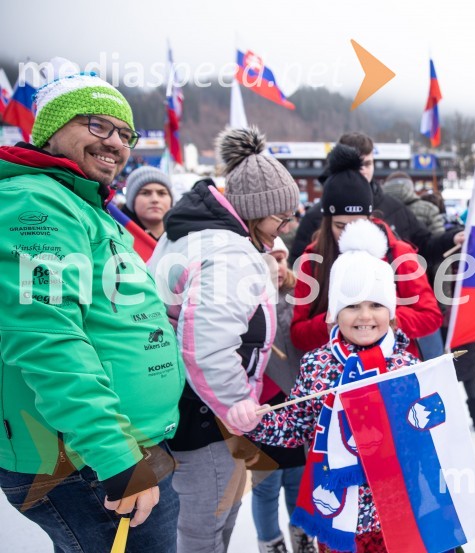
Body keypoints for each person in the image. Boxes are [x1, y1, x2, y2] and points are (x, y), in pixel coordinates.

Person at [0, 60, 184, 551]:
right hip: (85, 461)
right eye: (97, 125)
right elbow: (46, 338)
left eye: (125, 133)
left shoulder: (84, 206)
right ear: (51, 130)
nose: (116, 143)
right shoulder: (37, 204)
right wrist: (117, 458)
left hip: (113, 448)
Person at [148, 126, 300, 552]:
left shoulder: (196, 235)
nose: (285, 227)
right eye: (280, 217)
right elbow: (206, 346)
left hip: (181, 406)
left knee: (206, 521)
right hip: (203, 419)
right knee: (207, 527)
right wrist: (235, 406)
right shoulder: (230, 253)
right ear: (253, 211)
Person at [248, 218, 420, 553]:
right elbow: (296, 425)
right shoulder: (319, 364)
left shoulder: (403, 366)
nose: (365, 316)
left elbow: (419, 433)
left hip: (393, 512)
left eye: (376, 305)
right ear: (333, 314)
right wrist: (257, 422)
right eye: (352, 306)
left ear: (392, 311)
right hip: (337, 511)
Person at [290, 144, 442, 356]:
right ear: (327, 222)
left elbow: (431, 316)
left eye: (358, 223)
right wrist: (329, 324)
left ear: (370, 218)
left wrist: (388, 318)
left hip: (393, 368)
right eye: (340, 226)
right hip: (335, 372)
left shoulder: (398, 253)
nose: (348, 233)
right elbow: (298, 334)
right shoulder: (313, 260)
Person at [289, 132, 463, 265]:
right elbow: (300, 268)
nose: (363, 170)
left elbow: (425, 246)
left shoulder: (394, 207)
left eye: (368, 163)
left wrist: (453, 238)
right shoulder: (316, 217)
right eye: (357, 164)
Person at [251, 241, 315, 553]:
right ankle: (270, 543)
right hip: (260, 408)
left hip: (295, 405)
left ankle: (303, 537)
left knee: (299, 482)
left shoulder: (299, 296)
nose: (276, 267)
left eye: (280, 259)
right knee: (265, 486)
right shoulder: (240, 302)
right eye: (267, 261)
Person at [123, 165, 174, 239]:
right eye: (145, 193)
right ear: (132, 200)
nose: (155, 199)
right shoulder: (116, 235)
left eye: (162, 193)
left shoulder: (185, 236)